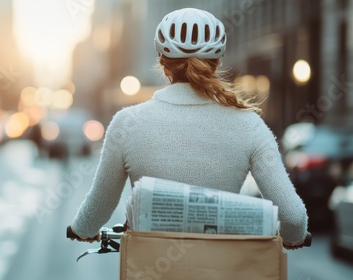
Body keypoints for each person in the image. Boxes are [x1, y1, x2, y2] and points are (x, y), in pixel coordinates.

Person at [68, 8, 308, 249]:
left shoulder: (127, 123)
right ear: (217, 62)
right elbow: (293, 218)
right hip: (220, 269)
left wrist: (82, 229)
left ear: (163, 62)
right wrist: (290, 237)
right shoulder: (250, 125)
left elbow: (100, 205)